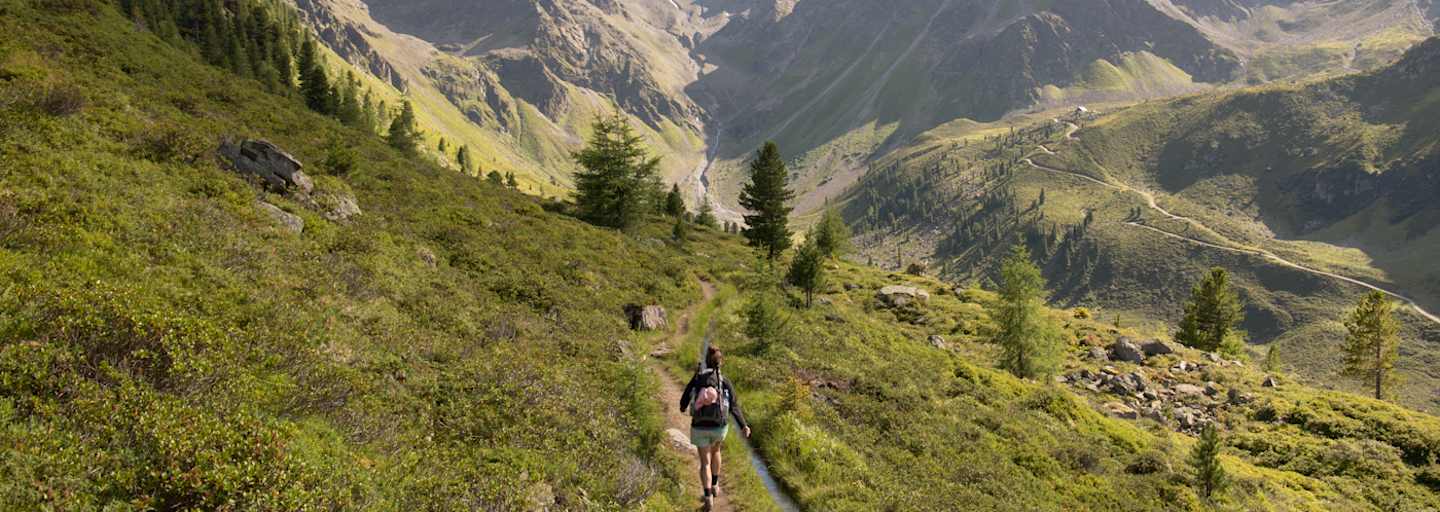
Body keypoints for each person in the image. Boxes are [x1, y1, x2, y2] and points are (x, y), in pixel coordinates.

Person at [679, 347, 750, 510]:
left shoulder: (698, 379)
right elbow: (733, 406)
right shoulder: (724, 381)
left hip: (699, 426)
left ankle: (707, 495)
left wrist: (683, 407)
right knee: (716, 452)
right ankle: (716, 485)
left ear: (706, 361)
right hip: (719, 426)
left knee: (704, 462)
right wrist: (743, 425)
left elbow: (684, 399)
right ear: (721, 362)